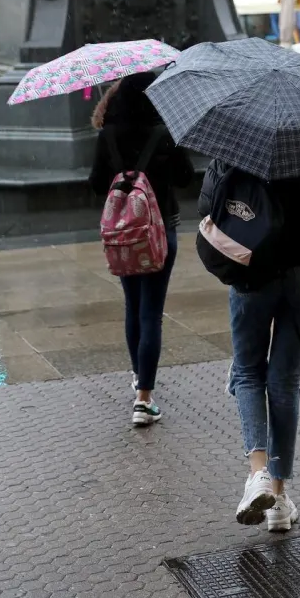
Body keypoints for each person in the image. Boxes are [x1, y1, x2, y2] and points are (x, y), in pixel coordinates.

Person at [198, 163, 300, 531]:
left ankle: (258, 473)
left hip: (253, 272)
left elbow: (206, 205)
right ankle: (279, 498)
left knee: (247, 370)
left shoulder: (234, 145)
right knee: (284, 380)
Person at [89, 72, 194, 426]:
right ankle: (144, 398)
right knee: (151, 312)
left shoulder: (109, 134)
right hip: (161, 231)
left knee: (133, 307)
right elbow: (185, 178)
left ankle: (139, 377)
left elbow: (93, 185)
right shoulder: (164, 132)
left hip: (123, 236)